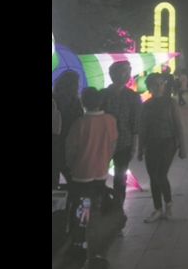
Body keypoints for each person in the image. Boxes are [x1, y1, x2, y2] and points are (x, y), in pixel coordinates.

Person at [65, 87, 118, 265]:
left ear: (83, 102)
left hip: (82, 174)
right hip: (100, 172)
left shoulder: (80, 123)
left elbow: (70, 150)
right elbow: (113, 145)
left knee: (81, 209)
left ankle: (80, 243)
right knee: (94, 207)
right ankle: (94, 244)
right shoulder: (110, 120)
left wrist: (71, 166)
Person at [138, 73, 186, 222]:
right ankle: (157, 208)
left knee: (160, 174)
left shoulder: (171, 103)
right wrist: (140, 148)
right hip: (151, 143)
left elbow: (178, 125)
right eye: (155, 84)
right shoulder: (146, 105)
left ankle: (168, 204)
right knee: (153, 176)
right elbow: (143, 128)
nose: (159, 87)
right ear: (149, 87)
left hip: (168, 142)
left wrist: (182, 147)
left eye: (161, 83)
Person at [102, 61, 142, 217]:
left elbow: (136, 123)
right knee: (100, 176)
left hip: (124, 141)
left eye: (128, 72)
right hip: (104, 141)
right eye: (122, 72)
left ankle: (118, 208)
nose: (125, 75)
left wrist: (135, 144)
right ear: (112, 75)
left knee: (120, 177)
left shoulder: (133, 97)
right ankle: (102, 205)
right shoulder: (103, 95)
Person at [53, 70, 84, 188]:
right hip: (69, 140)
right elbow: (80, 120)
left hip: (54, 139)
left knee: (53, 173)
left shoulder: (53, 99)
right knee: (70, 173)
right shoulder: (76, 102)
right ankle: (73, 196)